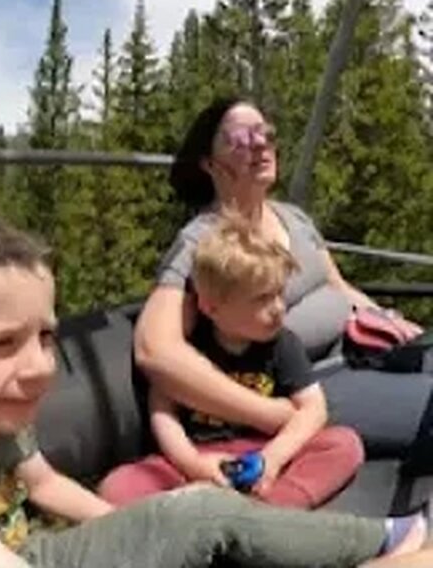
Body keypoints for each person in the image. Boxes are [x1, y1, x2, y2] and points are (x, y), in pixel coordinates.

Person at [0, 214, 433, 568]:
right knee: (192, 515)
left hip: (43, 546)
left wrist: (125, 527)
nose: (40, 366)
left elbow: (44, 484)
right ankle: (391, 540)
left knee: (185, 513)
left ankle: (374, 540)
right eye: (1, 344)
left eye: (46, 336)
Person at [134, 97, 433, 466]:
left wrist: (391, 322)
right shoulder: (205, 243)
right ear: (210, 164)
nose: (260, 144)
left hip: (366, 350)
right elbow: (155, 350)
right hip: (311, 385)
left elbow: (338, 288)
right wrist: (267, 413)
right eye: (241, 138)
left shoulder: (294, 219)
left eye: (265, 134)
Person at [100, 210, 363, 509]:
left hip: (264, 451)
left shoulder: (282, 344)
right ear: (212, 308)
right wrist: (192, 464)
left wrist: (271, 459)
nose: (278, 308)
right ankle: (210, 513)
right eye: (262, 299)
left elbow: (313, 410)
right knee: (118, 486)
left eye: (279, 294)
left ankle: (274, 510)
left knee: (344, 444)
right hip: (201, 457)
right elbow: (163, 413)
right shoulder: (189, 348)